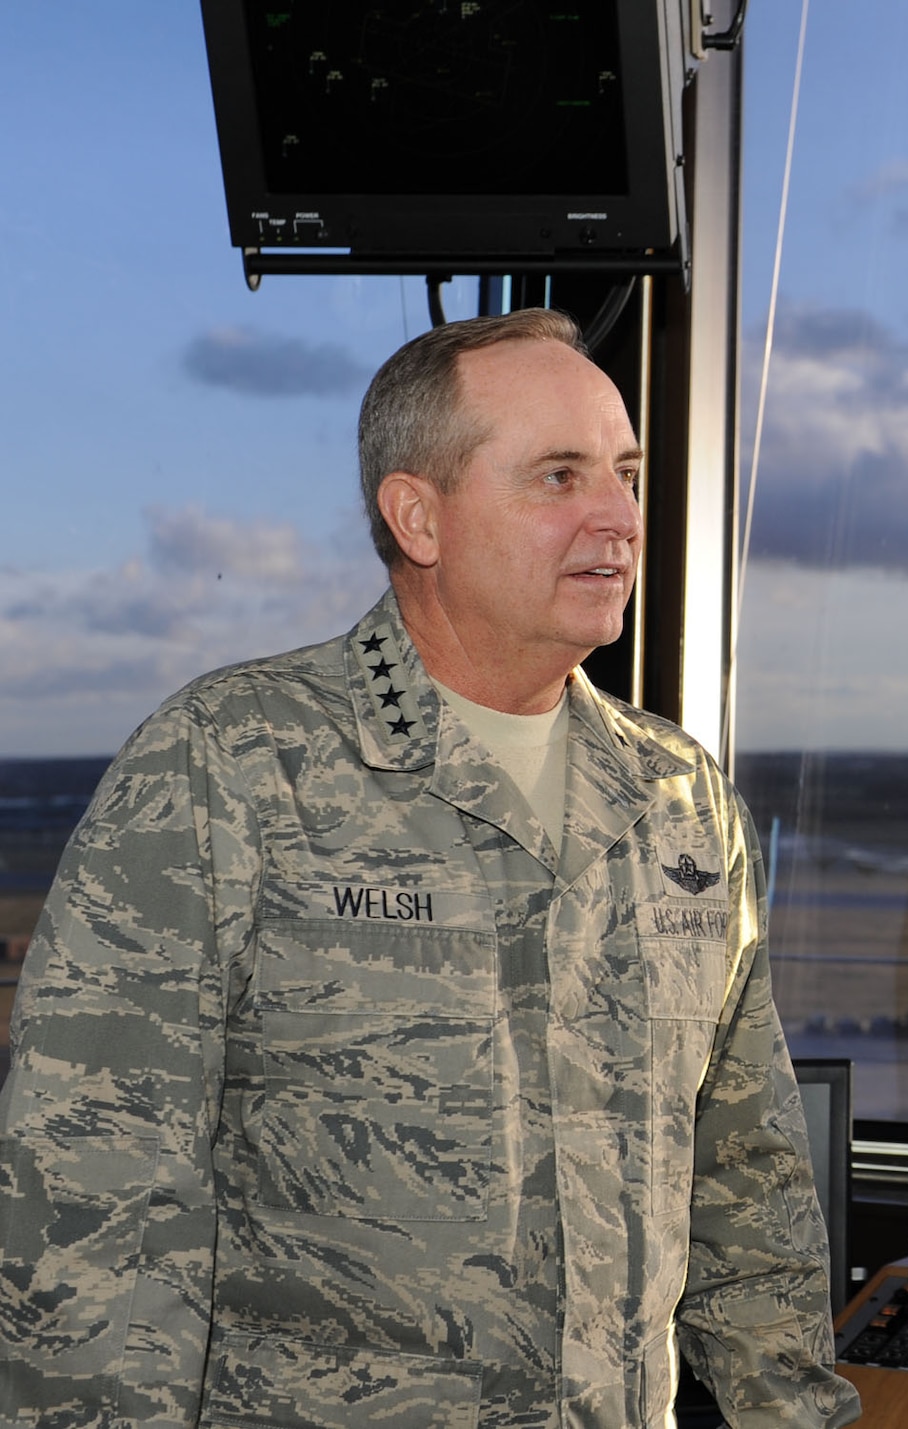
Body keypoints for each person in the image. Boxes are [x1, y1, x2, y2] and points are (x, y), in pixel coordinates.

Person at [0, 309, 862, 1428]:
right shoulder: (232, 763)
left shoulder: (678, 802)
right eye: (558, 476)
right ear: (419, 516)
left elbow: (745, 1187)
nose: (618, 516)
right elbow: (90, 1201)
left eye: (626, 472)